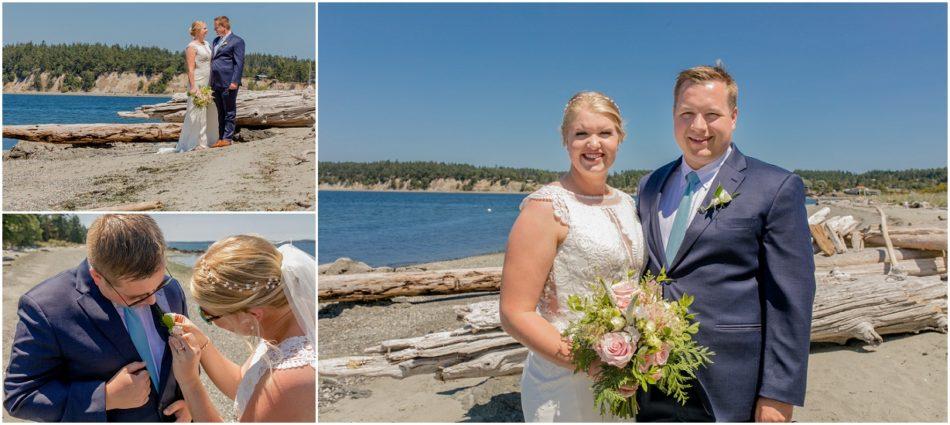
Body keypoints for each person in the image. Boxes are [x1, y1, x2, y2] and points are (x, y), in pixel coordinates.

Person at [635, 64, 816, 422]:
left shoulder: (775, 186)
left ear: (733, 117)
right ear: (673, 117)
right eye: (687, 114)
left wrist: (778, 393)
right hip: (652, 377)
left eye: (711, 115)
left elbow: (790, 298)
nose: (698, 127)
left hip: (730, 384)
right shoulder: (650, 185)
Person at [499, 91, 646, 422]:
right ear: (566, 140)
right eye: (581, 134)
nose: (593, 144)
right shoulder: (546, 208)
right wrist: (590, 364)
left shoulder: (628, 203)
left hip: (622, 378)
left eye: (605, 133)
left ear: (619, 139)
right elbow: (514, 312)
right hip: (563, 382)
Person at [4, 215, 191, 422]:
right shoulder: (44, 307)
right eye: (135, 297)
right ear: (97, 277)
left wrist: (192, 401)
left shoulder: (172, 289)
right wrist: (106, 397)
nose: (153, 299)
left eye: (158, 286)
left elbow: (186, 355)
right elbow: (20, 397)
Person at [166, 235, 315, 422]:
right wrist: (201, 341)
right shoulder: (286, 326)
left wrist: (189, 383)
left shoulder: (289, 379)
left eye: (208, 315)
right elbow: (244, 384)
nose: (207, 320)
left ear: (253, 315)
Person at [160, 20, 219, 154]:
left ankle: (210, 140)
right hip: (198, 81)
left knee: (210, 110)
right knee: (197, 112)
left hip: (208, 82)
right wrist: (193, 86)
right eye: (204, 28)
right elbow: (191, 69)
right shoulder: (191, 47)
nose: (207, 30)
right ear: (197, 31)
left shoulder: (208, 44)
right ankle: (197, 142)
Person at [209, 15, 245, 148]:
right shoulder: (215, 41)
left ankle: (227, 138)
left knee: (229, 111)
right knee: (220, 112)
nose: (214, 30)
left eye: (216, 27)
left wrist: (235, 81)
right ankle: (220, 138)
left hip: (228, 81)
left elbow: (239, 63)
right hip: (215, 82)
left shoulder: (237, 41)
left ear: (223, 27)